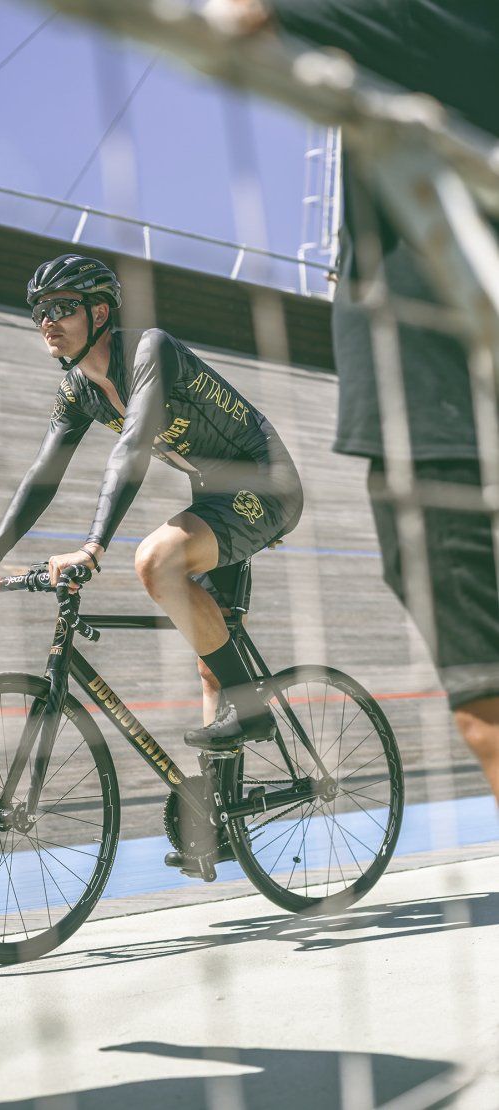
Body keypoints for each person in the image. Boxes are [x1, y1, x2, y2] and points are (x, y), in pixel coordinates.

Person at [206, 0, 499, 803]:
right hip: (437, 402)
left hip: (436, 408)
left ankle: (238, 709)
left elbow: (242, 15)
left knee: (486, 698)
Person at [0, 253, 303, 780]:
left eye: (62, 307)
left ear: (100, 312)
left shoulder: (150, 350)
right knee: (211, 665)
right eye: (39, 311)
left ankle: (251, 711)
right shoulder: (78, 388)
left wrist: (92, 548)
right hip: (213, 493)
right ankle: (220, 809)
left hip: (266, 485)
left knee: (155, 560)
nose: (47, 321)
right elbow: (43, 474)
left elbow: (133, 447)